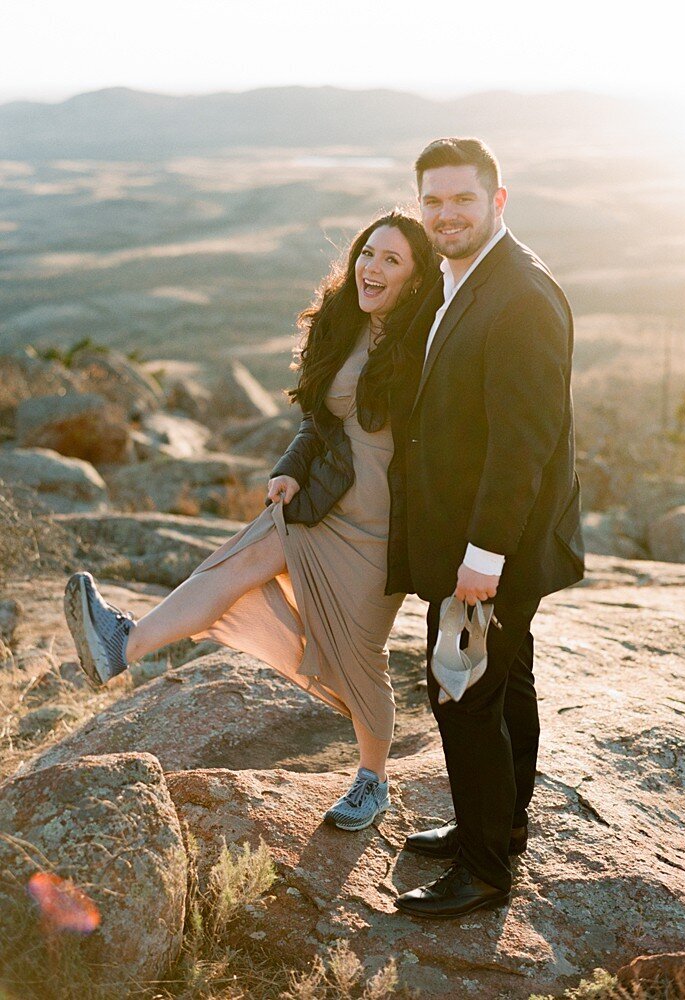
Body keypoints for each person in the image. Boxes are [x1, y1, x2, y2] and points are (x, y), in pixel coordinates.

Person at [64, 210, 440, 832]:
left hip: (384, 528)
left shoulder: (424, 343)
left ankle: (372, 780)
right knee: (236, 561)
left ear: (417, 278)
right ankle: (119, 645)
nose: (372, 268)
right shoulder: (342, 324)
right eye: (368, 253)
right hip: (322, 503)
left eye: (392, 261)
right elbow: (317, 421)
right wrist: (290, 467)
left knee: (360, 659)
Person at [386, 139, 585, 918]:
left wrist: (481, 560)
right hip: (487, 543)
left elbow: (521, 448)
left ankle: (484, 872)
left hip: (497, 549)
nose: (445, 215)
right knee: (506, 683)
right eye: (433, 202)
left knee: (460, 693)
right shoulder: (463, 278)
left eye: (462, 200)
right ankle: (498, 825)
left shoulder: (522, 295)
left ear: (497, 202)